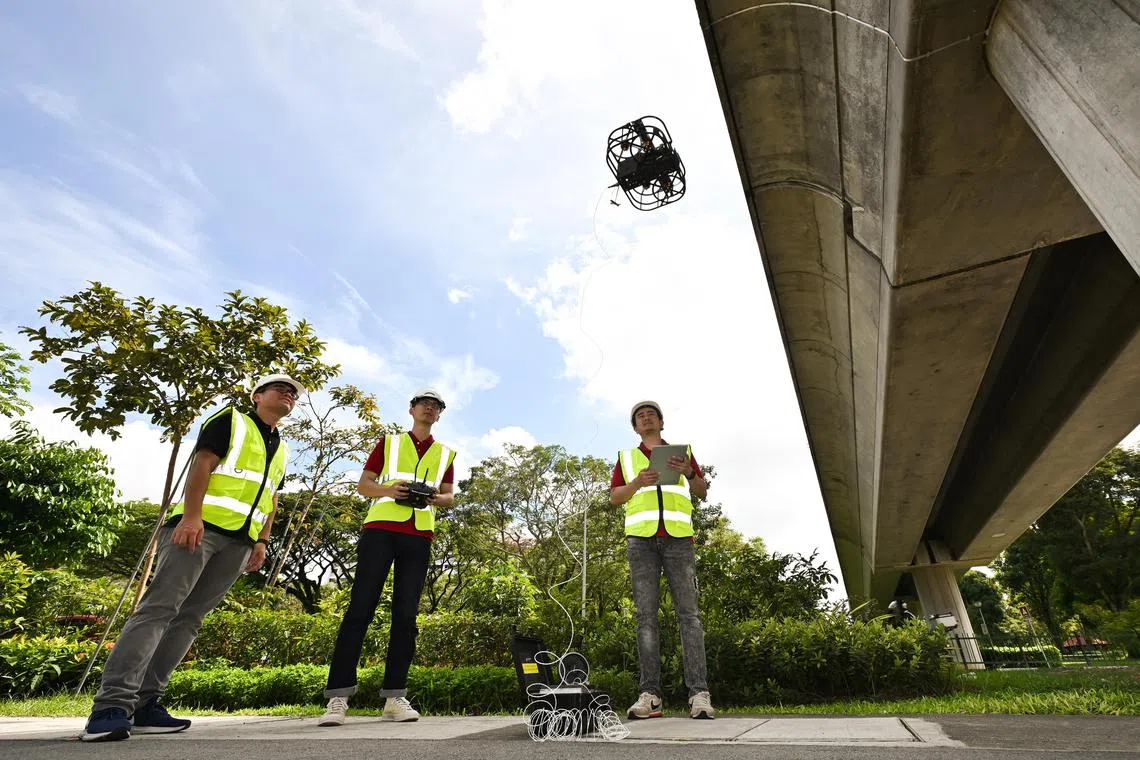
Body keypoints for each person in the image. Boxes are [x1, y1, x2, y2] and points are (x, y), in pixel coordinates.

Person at [81, 373, 301, 742]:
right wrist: (191, 516)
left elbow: (272, 497)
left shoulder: (282, 447)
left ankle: (146, 704)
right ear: (258, 395)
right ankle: (111, 706)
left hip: (240, 542)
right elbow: (202, 464)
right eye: (280, 388)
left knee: (189, 620)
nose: (288, 394)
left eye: (293, 393)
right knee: (158, 610)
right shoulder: (231, 420)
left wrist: (262, 540)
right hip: (200, 529)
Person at [318, 389, 457, 726]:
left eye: (436, 406)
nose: (430, 408)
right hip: (380, 530)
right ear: (411, 410)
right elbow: (364, 485)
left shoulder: (445, 453)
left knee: (406, 616)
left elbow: (450, 497)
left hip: (419, 535)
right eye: (424, 403)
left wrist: (435, 499)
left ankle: (395, 698)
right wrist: (390, 490)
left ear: (439, 414)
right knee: (359, 609)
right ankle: (337, 698)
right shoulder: (389, 443)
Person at [610, 400, 714, 720]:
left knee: (690, 616)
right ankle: (650, 695)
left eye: (651, 414)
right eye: (640, 416)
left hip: (679, 540)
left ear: (660, 422)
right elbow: (615, 497)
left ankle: (699, 694)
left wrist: (689, 472)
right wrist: (637, 482)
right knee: (646, 618)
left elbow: (702, 491)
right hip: (641, 542)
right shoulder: (626, 459)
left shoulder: (682, 454)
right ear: (635, 427)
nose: (646, 417)